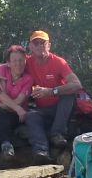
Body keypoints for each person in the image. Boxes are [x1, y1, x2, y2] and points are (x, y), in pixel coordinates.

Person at [18, 30, 82, 162]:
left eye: (43, 43)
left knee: (69, 95)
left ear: (49, 45)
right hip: (43, 110)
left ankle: (56, 133)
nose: (39, 46)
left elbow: (77, 85)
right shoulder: (27, 63)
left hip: (61, 108)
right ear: (30, 46)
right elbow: (5, 68)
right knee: (31, 115)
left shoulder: (58, 62)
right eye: (36, 43)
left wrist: (51, 91)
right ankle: (41, 152)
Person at [0, 45, 33, 171]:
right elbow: (1, 94)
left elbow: (19, 102)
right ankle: (6, 144)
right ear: (8, 63)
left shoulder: (28, 79)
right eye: (14, 61)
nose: (18, 64)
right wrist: (15, 107)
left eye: (21, 60)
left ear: (25, 61)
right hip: (2, 112)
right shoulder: (2, 70)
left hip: (12, 114)